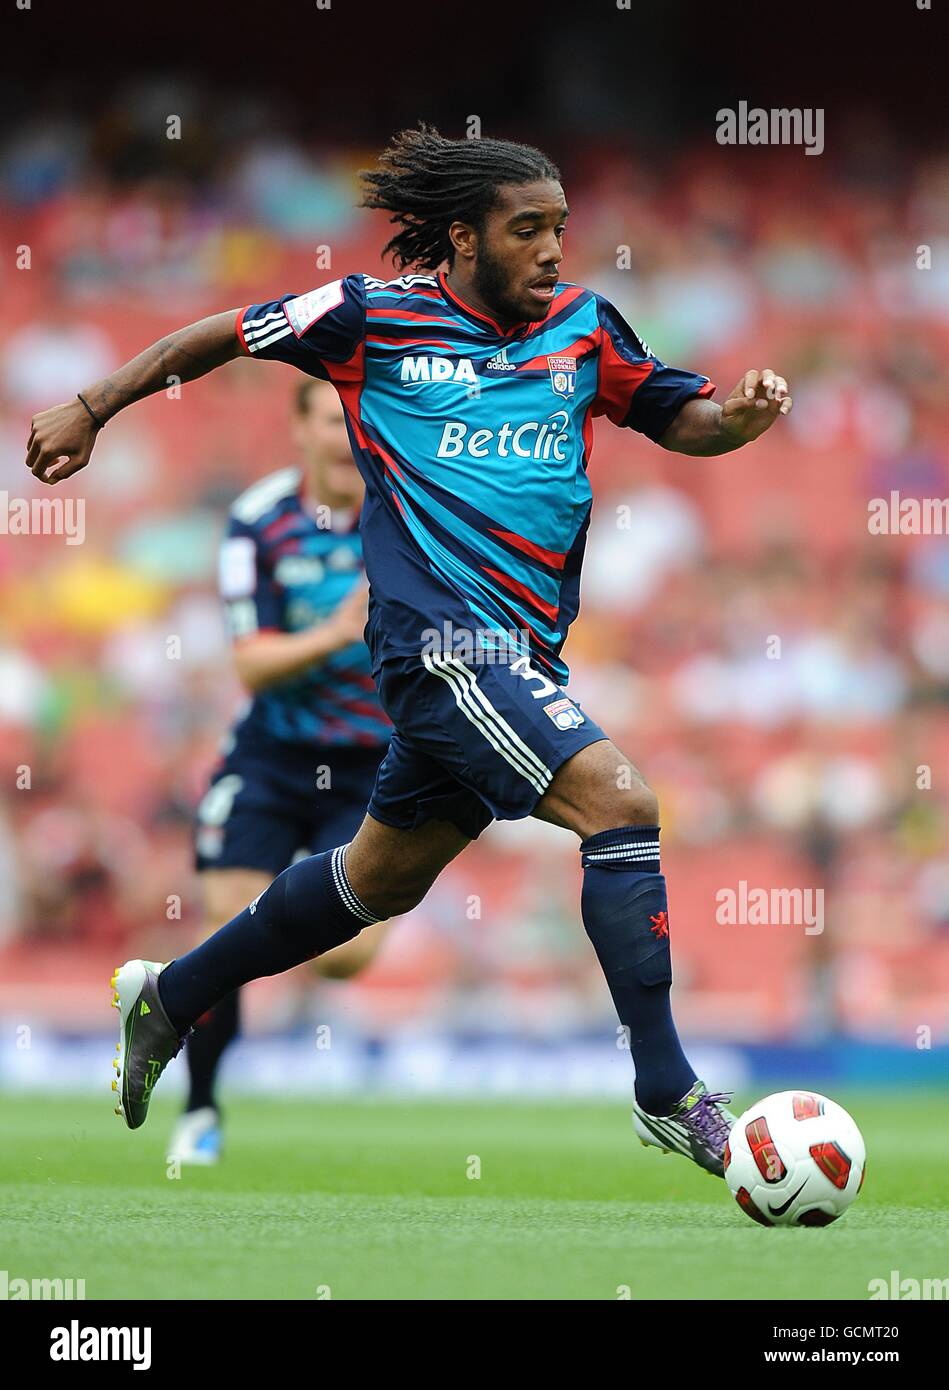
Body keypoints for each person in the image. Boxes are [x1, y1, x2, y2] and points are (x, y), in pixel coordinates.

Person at [27, 127, 793, 1178]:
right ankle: (665, 1087)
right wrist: (92, 405)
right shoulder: (369, 318)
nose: (551, 251)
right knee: (618, 801)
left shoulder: (582, 328)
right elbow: (221, 334)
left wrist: (737, 419)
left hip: (522, 658)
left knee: (373, 886)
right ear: (462, 238)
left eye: (559, 229)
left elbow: (679, 416)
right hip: (439, 648)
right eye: (526, 230)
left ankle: (171, 996)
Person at [171, 378, 391, 1164]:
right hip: (271, 756)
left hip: (374, 763)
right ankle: (198, 1111)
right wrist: (337, 633)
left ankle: (308, 915)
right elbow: (252, 663)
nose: (343, 435)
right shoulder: (260, 521)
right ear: (298, 429)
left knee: (346, 957)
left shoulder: (405, 510)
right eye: (329, 420)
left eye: (353, 420)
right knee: (223, 937)